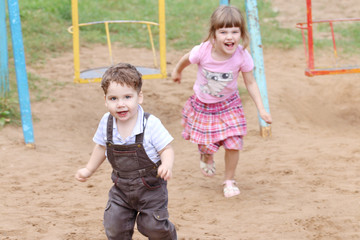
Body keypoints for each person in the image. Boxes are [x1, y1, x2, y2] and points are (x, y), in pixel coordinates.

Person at [171, 5, 272, 198]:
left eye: (235, 31)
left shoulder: (242, 55)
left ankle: (229, 180)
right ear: (214, 34)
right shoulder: (203, 51)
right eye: (223, 31)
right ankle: (206, 155)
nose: (229, 37)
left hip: (229, 105)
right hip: (204, 107)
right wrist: (177, 71)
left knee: (234, 142)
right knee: (207, 145)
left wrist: (262, 108)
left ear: (241, 33)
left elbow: (250, 82)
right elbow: (186, 58)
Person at [75, 63, 177, 239]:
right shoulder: (106, 123)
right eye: (113, 98)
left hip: (151, 188)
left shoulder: (150, 124)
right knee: (114, 224)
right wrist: (89, 169)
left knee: (152, 225)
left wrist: (166, 165)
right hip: (121, 189)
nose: (121, 104)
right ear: (105, 100)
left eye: (127, 97)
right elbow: (101, 146)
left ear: (139, 97)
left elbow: (166, 148)